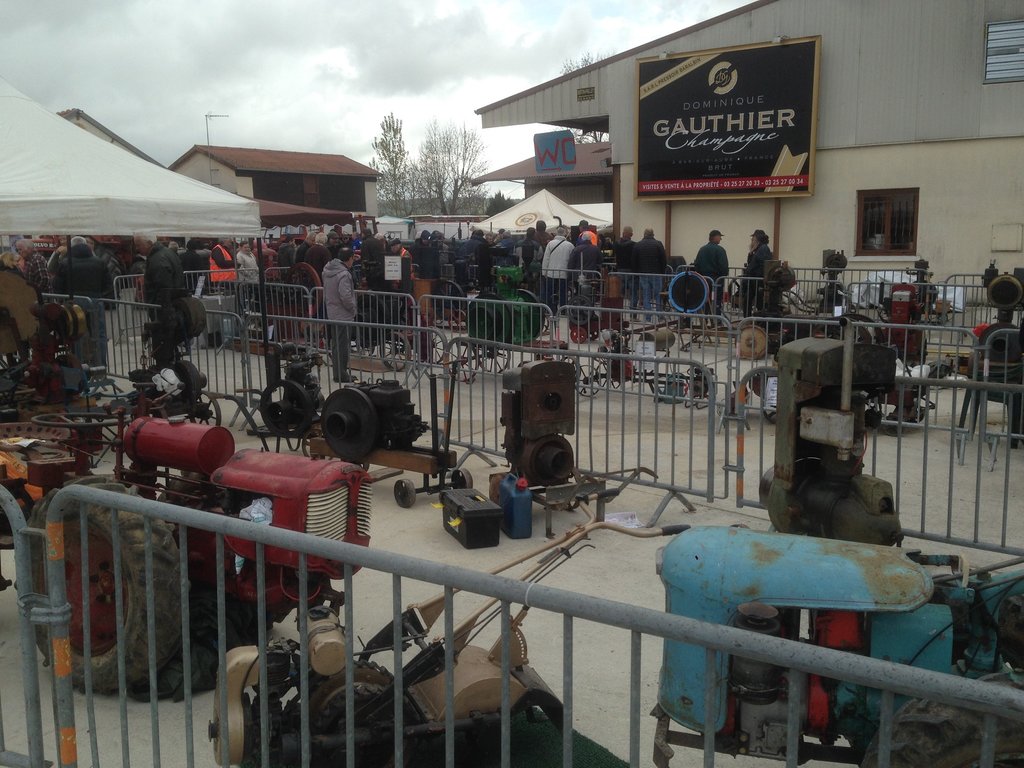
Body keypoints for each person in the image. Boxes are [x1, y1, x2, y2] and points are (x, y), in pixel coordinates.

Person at [135, 234, 185, 368]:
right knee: (169, 343)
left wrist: (161, 310)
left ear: (148, 243)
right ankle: (171, 368)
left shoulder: (158, 259)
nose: (137, 248)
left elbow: (163, 287)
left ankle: (165, 371)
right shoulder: (167, 253)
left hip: (163, 309)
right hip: (172, 306)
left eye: (138, 245)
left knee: (163, 346)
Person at [323, 246, 359, 383]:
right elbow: (345, 296)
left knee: (336, 344)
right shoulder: (344, 274)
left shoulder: (327, 270)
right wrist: (353, 308)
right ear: (349, 259)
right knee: (342, 345)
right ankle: (341, 374)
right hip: (343, 314)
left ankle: (338, 372)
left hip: (332, 311)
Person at [632, 228, 667, 320]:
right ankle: (659, 315)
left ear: (644, 234)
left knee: (646, 295)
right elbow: (663, 259)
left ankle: (648, 316)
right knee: (658, 294)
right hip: (656, 274)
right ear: (653, 234)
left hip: (643, 274)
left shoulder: (638, 245)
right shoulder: (658, 244)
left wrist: (637, 272)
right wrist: (662, 272)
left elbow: (634, 260)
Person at [693, 229, 729, 314]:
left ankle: (705, 316)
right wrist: (723, 275)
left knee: (705, 298)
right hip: (717, 280)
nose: (721, 239)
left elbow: (696, 264)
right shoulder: (720, 250)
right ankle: (716, 318)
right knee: (717, 300)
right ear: (715, 237)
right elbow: (724, 266)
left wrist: (701, 275)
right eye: (720, 237)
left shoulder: (702, 249)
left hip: (704, 279)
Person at [541, 226, 574, 313]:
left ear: (556, 233)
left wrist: (544, 272)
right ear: (564, 234)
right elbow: (572, 260)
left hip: (551, 273)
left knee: (551, 292)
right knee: (563, 293)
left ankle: (552, 310)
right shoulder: (570, 245)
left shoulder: (550, 244)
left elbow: (546, 258)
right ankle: (563, 310)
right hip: (564, 273)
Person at [742, 229, 772, 316]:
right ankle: (749, 318)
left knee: (756, 301)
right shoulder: (759, 248)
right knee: (750, 300)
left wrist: (749, 272)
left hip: (757, 279)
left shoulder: (762, 249)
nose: (752, 240)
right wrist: (751, 253)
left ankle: (758, 319)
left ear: (757, 238)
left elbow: (756, 264)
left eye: (753, 238)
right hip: (754, 279)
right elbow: (751, 263)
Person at [614, 226, 637, 309]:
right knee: (633, 291)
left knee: (620, 291)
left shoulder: (616, 244)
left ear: (623, 233)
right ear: (631, 234)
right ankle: (633, 310)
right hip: (631, 270)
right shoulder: (634, 245)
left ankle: (619, 309)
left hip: (620, 269)